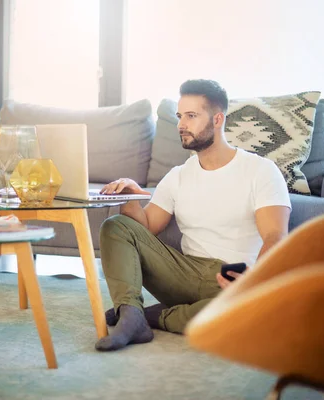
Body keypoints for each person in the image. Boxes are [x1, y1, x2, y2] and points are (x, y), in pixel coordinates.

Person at [94, 79, 291, 352]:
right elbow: (146, 227)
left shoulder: (260, 170)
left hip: (231, 277)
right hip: (182, 273)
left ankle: (150, 316)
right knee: (116, 226)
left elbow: (275, 235)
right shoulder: (178, 175)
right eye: (179, 116)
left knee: (257, 314)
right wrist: (130, 198)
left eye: (191, 116)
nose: (181, 125)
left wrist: (254, 279)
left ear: (218, 119)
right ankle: (130, 310)